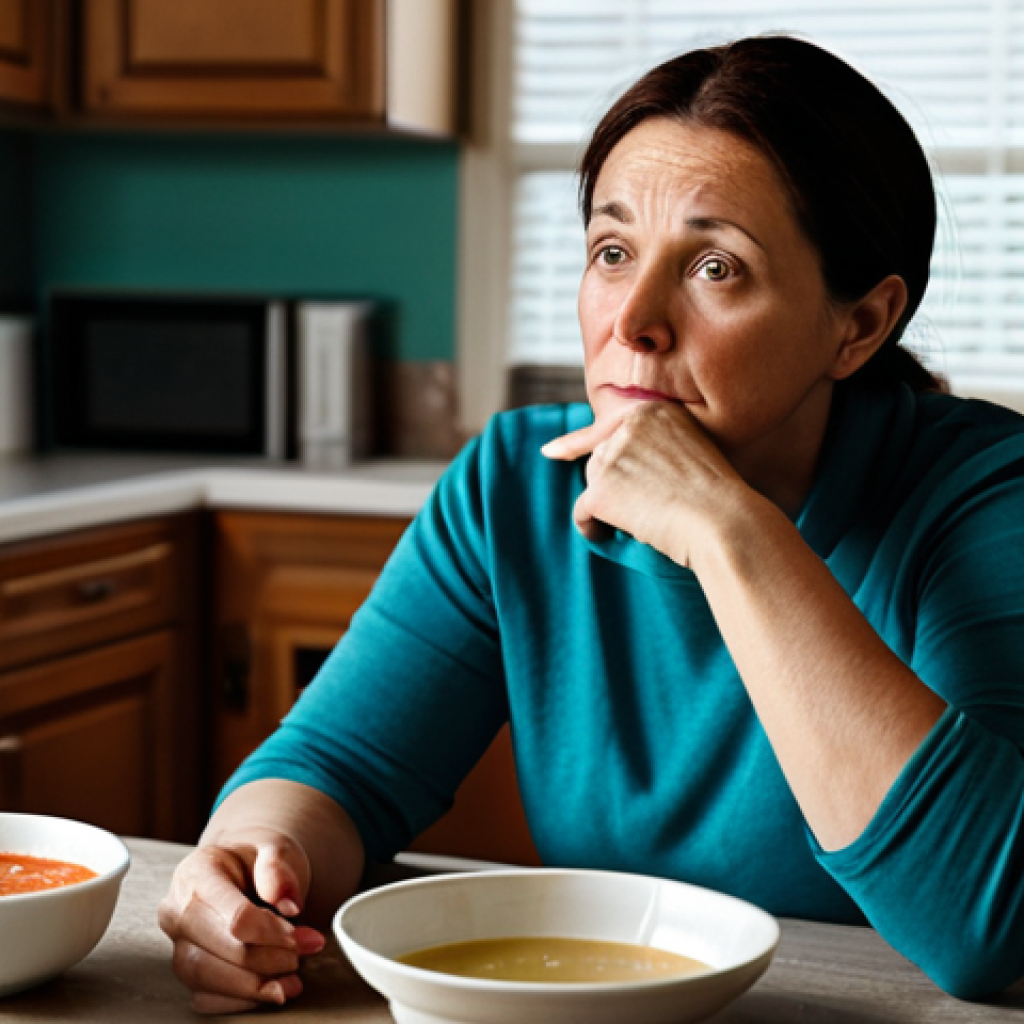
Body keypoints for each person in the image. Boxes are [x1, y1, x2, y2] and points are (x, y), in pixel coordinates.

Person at [159, 35, 1024, 1012]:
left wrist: (722, 528)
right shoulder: (513, 483)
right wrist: (250, 855)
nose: (634, 319)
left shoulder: (985, 493)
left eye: (714, 267)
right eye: (612, 252)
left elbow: (990, 927)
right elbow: (337, 766)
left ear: (859, 325)